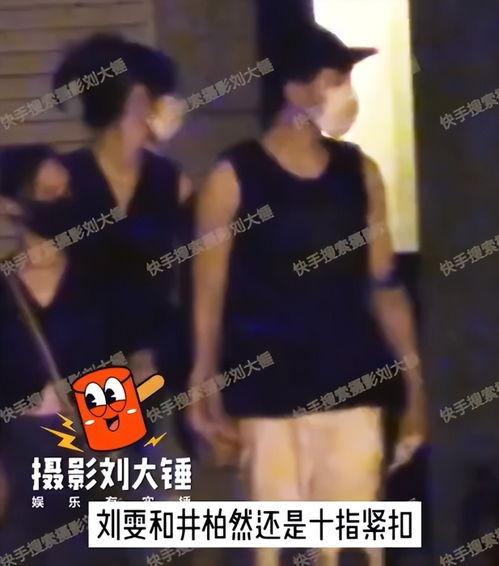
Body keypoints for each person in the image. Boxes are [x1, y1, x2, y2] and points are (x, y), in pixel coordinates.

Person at [187, 24, 427, 566]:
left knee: (356, 543)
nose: (346, 94)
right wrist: (205, 378)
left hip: (353, 382)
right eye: (335, 79)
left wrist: (414, 385)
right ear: (296, 89)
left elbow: (385, 286)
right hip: (268, 392)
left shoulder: (358, 172)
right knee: (273, 544)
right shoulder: (235, 175)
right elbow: (209, 289)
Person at [0, 145, 130, 565]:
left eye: (66, 191)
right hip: (18, 467)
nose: (62, 202)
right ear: (9, 205)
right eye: (47, 192)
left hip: (93, 460)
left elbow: (120, 362)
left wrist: (115, 449)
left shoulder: (98, 281)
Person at [53, 33, 192, 392]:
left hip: (159, 365)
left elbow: (202, 275)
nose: (171, 105)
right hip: (82, 372)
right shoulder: (62, 181)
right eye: (161, 94)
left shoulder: (170, 181)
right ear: (137, 99)